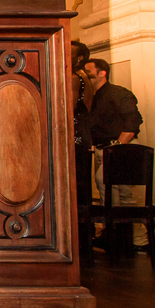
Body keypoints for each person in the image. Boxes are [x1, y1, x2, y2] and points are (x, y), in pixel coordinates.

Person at [84, 58, 145, 253]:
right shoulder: (92, 98)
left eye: (88, 71)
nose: (85, 74)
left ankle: (119, 235)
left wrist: (118, 147)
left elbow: (133, 121)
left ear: (102, 73)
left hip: (118, 148)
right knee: (122, 194)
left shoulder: (118, 93)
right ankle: (136, 240)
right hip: (103, 148)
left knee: (107, 183)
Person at [71, 42, 93, 205]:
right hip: (82, 132)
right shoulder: (83, 75)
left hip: (75, 133)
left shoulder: (74, 78)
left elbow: (68, 110)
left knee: (76, 181)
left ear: (79, 58)